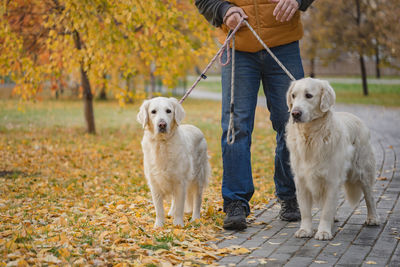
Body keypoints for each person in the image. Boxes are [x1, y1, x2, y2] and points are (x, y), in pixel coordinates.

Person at [195, 0, 315, 230]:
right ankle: (235, 202)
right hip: (238, 48)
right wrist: (223, 10)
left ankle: (290, 195)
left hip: (284, 43)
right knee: (235, 126)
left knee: (293, 123)